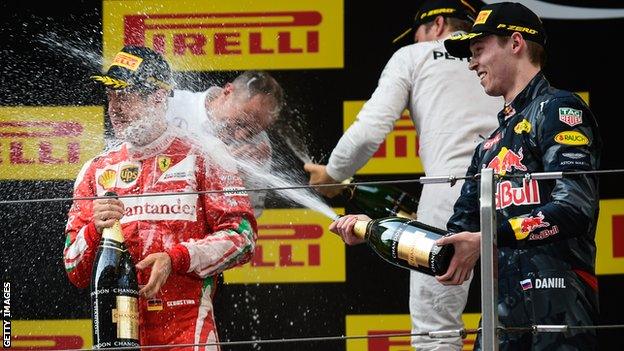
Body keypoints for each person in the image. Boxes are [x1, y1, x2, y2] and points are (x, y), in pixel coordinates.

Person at [309, 0, 502, 349]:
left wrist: (334, 173)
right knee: (517, 320)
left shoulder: (413, 57)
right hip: (514, 190)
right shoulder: (497, 55)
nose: (415, 42)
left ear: (437, 24)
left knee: (436, 330)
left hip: (449, 191)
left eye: (416, 35)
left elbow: (370, 130)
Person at [63, 45, 257, 349]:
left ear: (157, 98)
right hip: (118, 332)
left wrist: (175, 259)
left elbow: (242, 239)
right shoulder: (95, 170)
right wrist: (93, 231)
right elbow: (75, 269)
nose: (114, 107)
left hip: (187, 330)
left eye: (125, 95)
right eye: (111, 95)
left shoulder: (205, 155)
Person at [437, 2, 601, 349]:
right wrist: (374, 226)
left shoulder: (559, 109)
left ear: (515, 43)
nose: (471, 63)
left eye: (479, 50)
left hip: (559, 308)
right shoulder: (487, 148)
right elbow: (454, 241)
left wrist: (489, 238)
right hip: (501, 319)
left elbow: (575, 207)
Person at [166, 70, 284, 218]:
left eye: (254, 131)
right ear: (227, 91)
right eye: (241, 123)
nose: (241, 135)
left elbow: (248, 216)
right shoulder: (171, 106)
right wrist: (218, 168)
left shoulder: (259, 144)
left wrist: (239, 181)